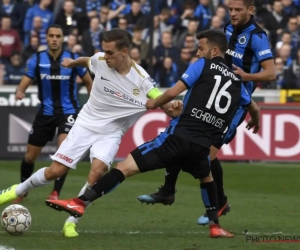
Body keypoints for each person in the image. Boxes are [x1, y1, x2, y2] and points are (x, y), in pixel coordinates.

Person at [45, 29, 258, 238]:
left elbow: (174, 91)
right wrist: (255, 121)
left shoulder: (202, 65)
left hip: (178, 138)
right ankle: (215, 225)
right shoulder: (238, 82)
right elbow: (253, 108)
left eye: (201, 48)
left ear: (213, 51)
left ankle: (80, 202)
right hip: (202, 146)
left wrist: (154, 103)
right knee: (206, 177)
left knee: (124, 168)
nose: (197, 53)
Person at [0, 28, 178, 238]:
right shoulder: (100, 59)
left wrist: (172, 108)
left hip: (112, 131)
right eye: (103, 51)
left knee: (98, 172)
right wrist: (71, 63)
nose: (105, 56)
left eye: (110, 52)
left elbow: (160, 98)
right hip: (86, 123)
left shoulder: (141, 79)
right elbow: (87, 60)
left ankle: (71, 221)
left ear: (124, 51)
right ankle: (16, 190)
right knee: (55, 171)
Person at [137, 0, 276, 226]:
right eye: (230, 9)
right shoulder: (227, 30)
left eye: (238, 10)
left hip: (234, 103)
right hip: (211, 92)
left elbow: (270, 73)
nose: (232, 13)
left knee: (206, 153)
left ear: (251, 10)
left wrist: (245, 78)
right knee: (179, 133)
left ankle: (219, 203)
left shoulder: (257, 36)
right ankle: (168, 191)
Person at [12, 24, 93, 203]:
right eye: (51, 36)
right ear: (46, 38)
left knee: (63, 153)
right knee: (29, 157)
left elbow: (88, 81)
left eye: (58, 36)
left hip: (68, 111)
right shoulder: (37, 59)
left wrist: (94, 100)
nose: (55, 39)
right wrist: (20, 91)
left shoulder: (72, 58)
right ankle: (22, 189)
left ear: (62, 38)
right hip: (45, 113)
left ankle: (55, 193)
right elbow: (25, 82)